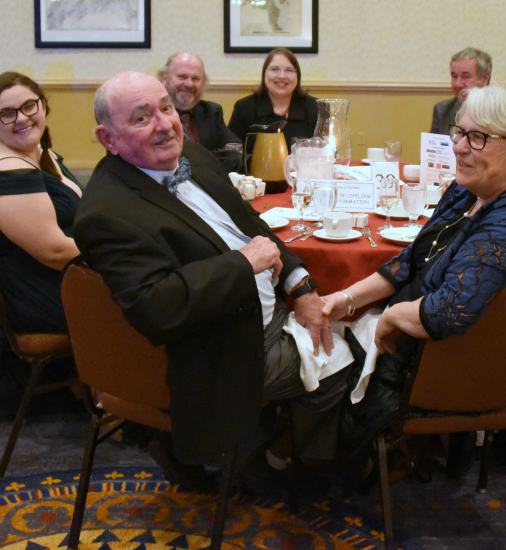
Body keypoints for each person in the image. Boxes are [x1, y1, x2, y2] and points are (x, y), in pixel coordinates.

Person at [74, 71, 347, 490]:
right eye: (142, 118)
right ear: (107, 138)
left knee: (339, 313)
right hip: (225, 349)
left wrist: (300, 285)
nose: (165, 124)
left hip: (257, 312)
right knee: (353, 350)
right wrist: (243, 263)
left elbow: (251, 224)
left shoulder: (190, 157)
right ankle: (297, 466)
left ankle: (276, 444)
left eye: (166, 108)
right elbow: (156, 306)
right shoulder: (106, 214)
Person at [321, 84, 506, 477]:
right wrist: (344, 299)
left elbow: (449, 312)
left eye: (478, 137)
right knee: (320, 330)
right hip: (432, 350)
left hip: (461, 369)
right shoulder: (468, 191)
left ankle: (320, 465)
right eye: (460, 132)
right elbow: (411, 262)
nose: (460, 147)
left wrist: (391, 316)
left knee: (321, 361)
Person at [0, 71, 83, 420]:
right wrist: (124, 251)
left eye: (29, 105)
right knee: (155, 293)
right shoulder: (6, 173)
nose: (22, 118)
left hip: (47, 279)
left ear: (44, 105)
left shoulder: (37, 152)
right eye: (7, 113)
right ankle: (127, 398)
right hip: (38, 294)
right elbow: (54, 252)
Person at [158, 52, 242, 172]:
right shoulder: (155, 115)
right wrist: (213, 157)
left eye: (195, 78)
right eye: (182, 77)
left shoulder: (212, 112)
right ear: (164, 79)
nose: (189, 84)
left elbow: (235, 149)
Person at [228, 48, 318, 152]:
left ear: (297, 76)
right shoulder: (244, 107)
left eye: (289, 70)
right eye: (275, 69)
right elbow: (233, 152)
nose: (282, 76)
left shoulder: (314, 107)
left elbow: (324, 150)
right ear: (264, 73)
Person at [430, 47, 492, 135]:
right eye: (454, 76)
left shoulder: (499, 112)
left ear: (485, 79)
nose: (458, 84)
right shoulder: (442, 111)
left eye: (466, 77)